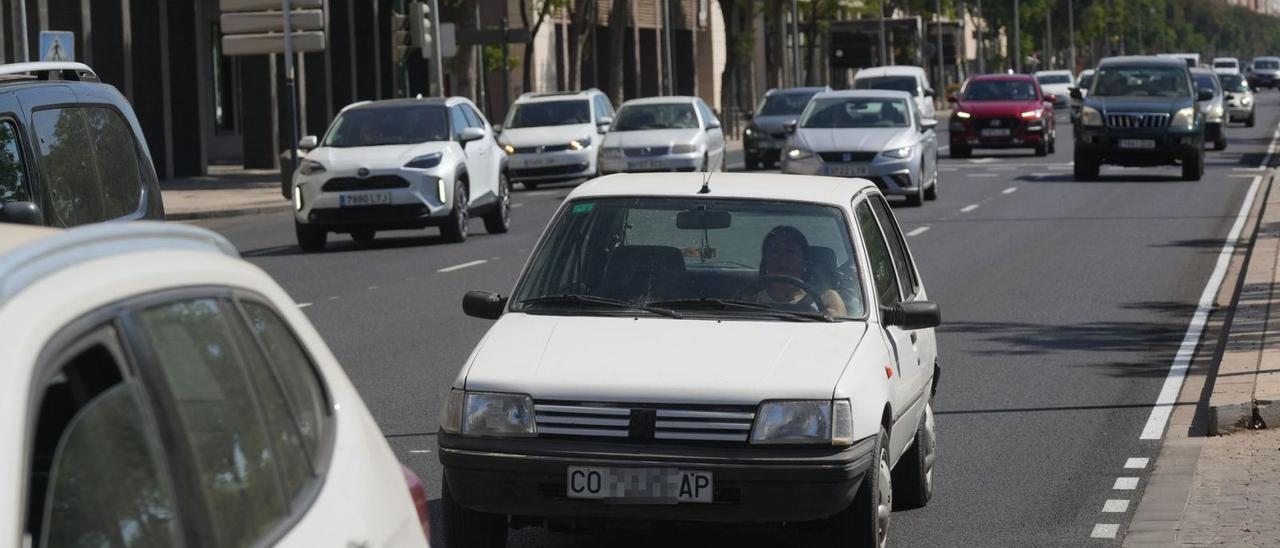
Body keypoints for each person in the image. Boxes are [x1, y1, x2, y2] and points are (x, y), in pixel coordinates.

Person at [753, 225, 847, 316]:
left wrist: (832, 310)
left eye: (790, 251)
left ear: (804, 263)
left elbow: (840, 326)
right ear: (765, 263)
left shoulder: (826, 299)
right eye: (775, 251)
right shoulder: (749, 299)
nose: (782, 259)